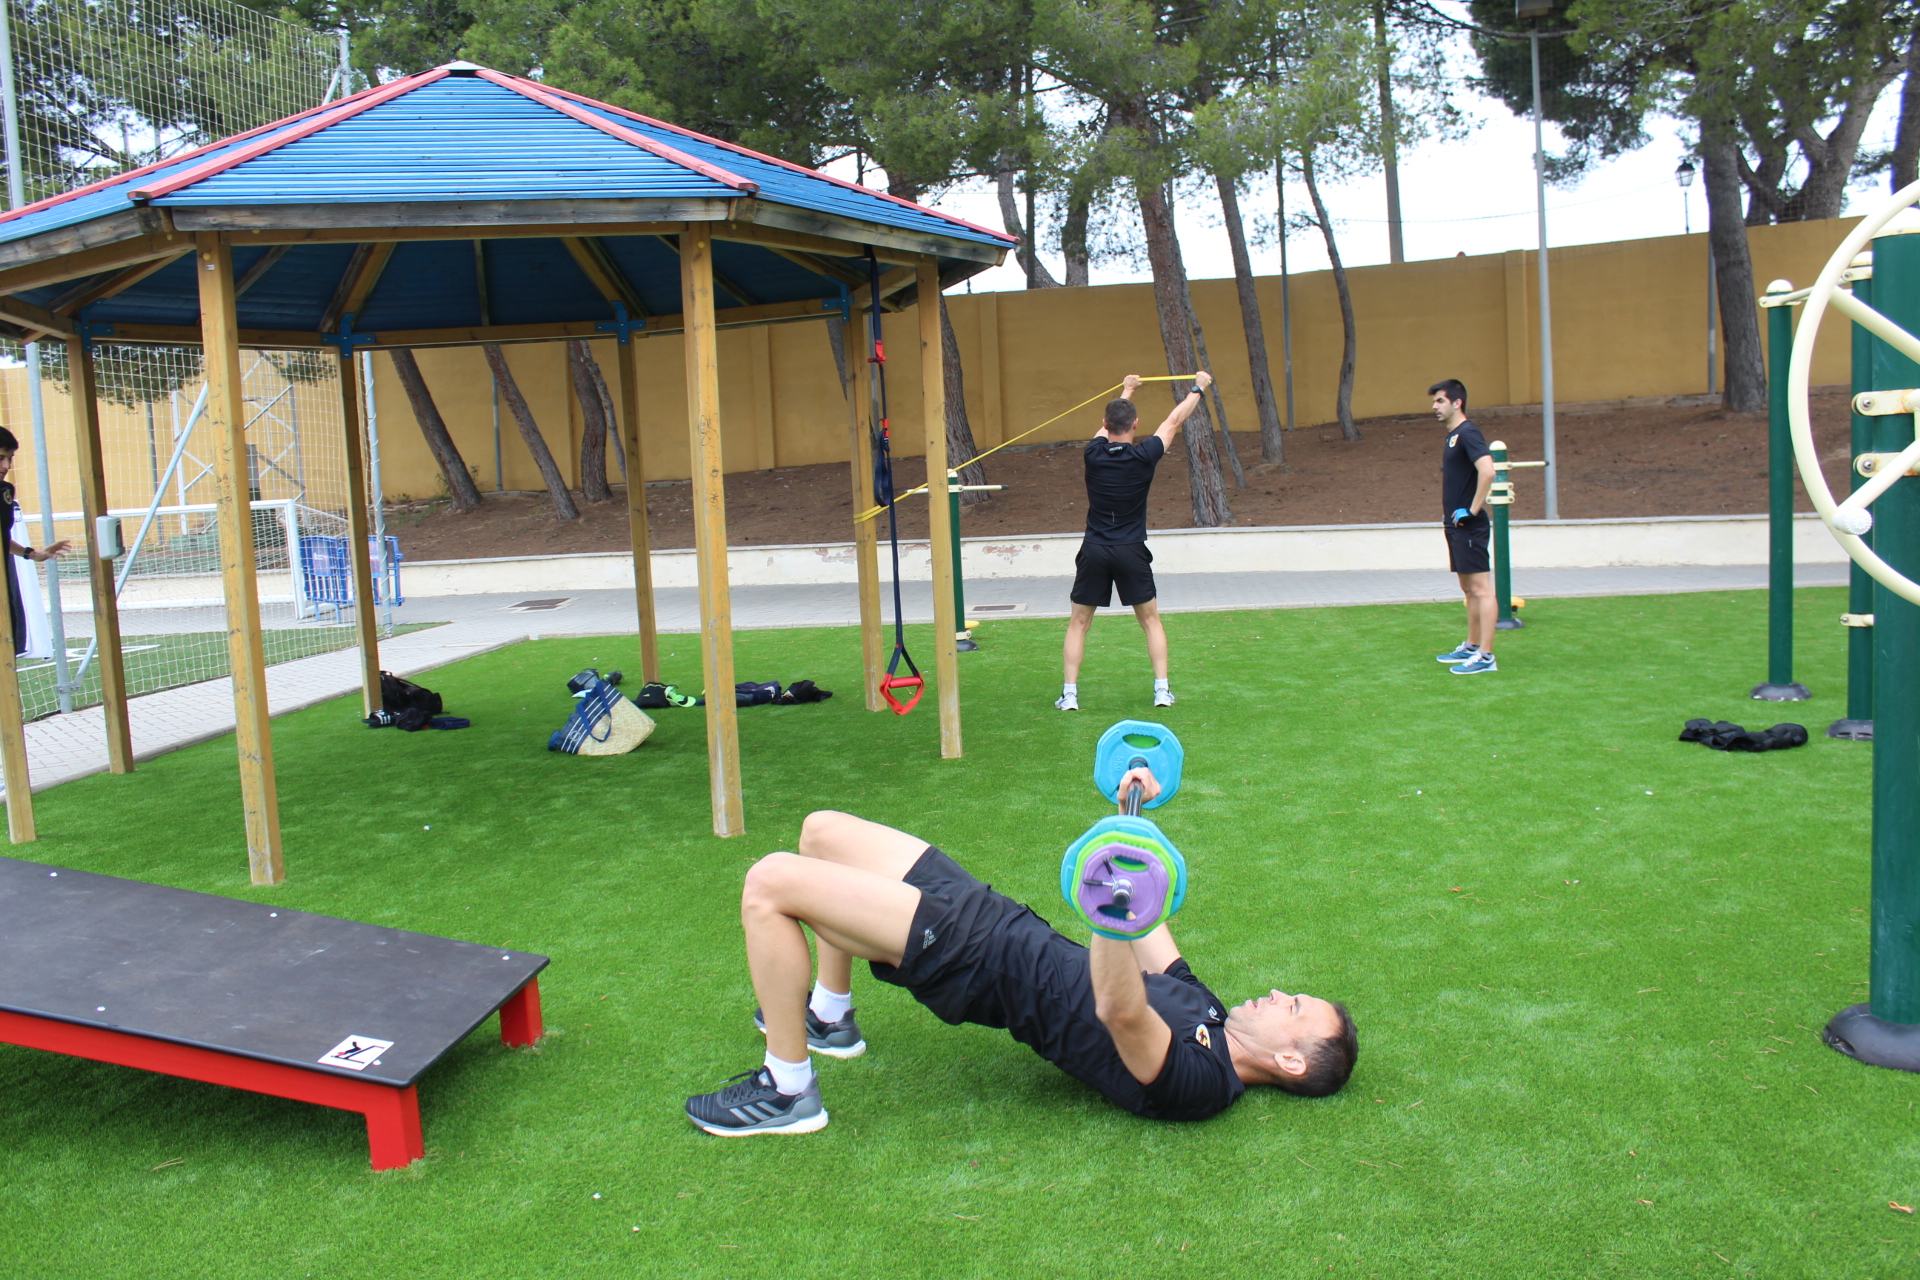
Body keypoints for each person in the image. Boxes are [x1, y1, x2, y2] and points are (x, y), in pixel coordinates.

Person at [684, 767, 1358, 1136]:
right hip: (998, 920)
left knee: (769, 884)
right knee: (822, 832)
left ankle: (787, 1089)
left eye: (1292, 1006)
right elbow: (1148, 922)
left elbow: (1120, 1010)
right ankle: (830, 1018)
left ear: (1291, 1060)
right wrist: (1134, 807)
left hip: (976, 963)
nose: (1276, 993)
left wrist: (1112, 912)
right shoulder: (1208, 1010)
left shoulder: (1202, 1086)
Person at [1057, 371, 1214, 712]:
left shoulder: (1093, 453)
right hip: (1130, 550)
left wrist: (1127, 389)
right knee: (1151, 620)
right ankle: (1161, 691)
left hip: (1095, 550)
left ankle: (1070, 695)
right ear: (1136, 424)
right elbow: (1174, 420)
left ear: (1104, 423)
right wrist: (1198, 387)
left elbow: (1106, 428)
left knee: (1079, 623)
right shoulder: (1145, 456)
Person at [1428, 380, 1498, 675]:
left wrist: (1472, 510)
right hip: (1456, 526)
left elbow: (1488, 470)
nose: (1434, 406)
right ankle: (1471, 645)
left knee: (1481, 590)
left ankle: (1486, 656)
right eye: (1434, 401)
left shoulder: (1468, 433)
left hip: (1470, 526)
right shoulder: (1453, 437)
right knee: (1468, 588)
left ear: (1457, 403)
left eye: (1440, 401)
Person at [0, 428, 70, 656]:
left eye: (10, 459)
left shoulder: (4, 491)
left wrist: (30, 553)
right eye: (1, 457)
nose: (6, 466)